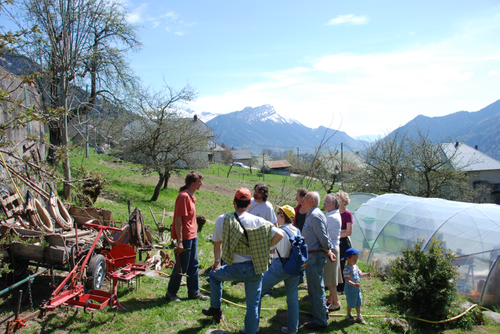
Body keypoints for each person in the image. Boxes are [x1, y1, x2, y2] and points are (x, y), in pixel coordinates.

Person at [202, 188, 284, 334]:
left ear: (234, 202)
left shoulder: (224, 218)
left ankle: (215, 308)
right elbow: (280, 234)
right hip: (255, 269)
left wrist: (217, 262)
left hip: (234, 269)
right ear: (248, 204)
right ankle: (250, 331)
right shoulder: (259, 221)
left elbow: (217, 243)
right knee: (253, 303)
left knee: (214, 276)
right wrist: (266, 246)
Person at [166, 171, 208, 302]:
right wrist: (180, 241)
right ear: (192, 183)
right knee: (181, 266)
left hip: (192, 236)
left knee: (194, 264)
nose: (201, 184)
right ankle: (171, 292)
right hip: (184, 238)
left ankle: (193, 292)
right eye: (199, 181)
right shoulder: (183, 197)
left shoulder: (191, 197)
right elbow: (178, 219)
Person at [259, 205, 300, 334]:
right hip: (294, 266)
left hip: (280, 265)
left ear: (283, 216)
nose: (277, 215)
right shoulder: (297, 230)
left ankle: (252, 326)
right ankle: (293, 329)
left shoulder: (279, 231)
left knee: (257, 291)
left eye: (278, 213)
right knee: (293, 299)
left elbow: (270, 247)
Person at [301, 191, 335, 330]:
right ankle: (319, 311)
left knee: (316, 288)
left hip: (315, 256)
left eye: (306, 198)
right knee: (316, 286)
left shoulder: (315, 216)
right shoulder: (312, 214)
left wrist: (328, 250)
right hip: (312, 255)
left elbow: (323, 237)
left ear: (313, 201)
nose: (303, 200)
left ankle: (320, 321)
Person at [323, 193, 342, 312]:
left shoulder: (331, 217)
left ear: (333, 204)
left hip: (331, 249)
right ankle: (331, 298)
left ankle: (336, 302)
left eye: (327, 201)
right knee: (332, 277)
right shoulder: (332, 214)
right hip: (334, 247)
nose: (324, 203)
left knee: (330, 280)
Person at [342, 248, 370, 325]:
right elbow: (347, 281)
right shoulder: (346, 269)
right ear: (348, 258)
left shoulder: (355, 267)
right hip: (351, 289)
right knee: (350, 302)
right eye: (354, 260)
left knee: (358, 302)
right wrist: (354, 284)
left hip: (357, 290)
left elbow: (360, 274)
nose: (355, 261)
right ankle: (349, 314)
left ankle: (359, 315)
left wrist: (366, 274)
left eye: (356, 259)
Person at [337, 190, 353, 293]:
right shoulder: (333, 212)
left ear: (344, 202)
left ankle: (341, 288)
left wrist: (338, 236)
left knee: (341, 264)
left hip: (343, 241)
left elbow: (348, 232)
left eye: (339, 199)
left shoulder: (348, 214)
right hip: (334, 240)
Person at [293, 188, 308, 284]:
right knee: (300, 257)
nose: (295, 198)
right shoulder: (296, 209)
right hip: (299, 237)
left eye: (297, 196)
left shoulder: (310, 209)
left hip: (309, 238)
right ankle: (300, 276)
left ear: (303, 198)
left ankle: (306, 276)